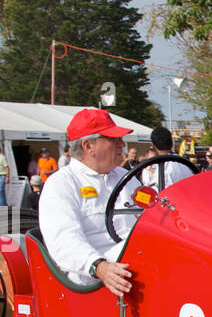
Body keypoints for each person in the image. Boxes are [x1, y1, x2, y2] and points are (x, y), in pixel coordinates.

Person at [39, 107, 141, 297]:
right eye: (113, 139)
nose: (122, 145)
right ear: (88, 146)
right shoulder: (61, 184)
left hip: (137, 268)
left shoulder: (125, 177)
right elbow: (64, 240)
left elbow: (152, 214)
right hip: (94, 283)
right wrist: (99, 267)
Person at [143, 126, 193, 190]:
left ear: (153, 146)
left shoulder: (161, 168)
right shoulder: (186, 164)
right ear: (172, 143)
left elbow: (155, 194)